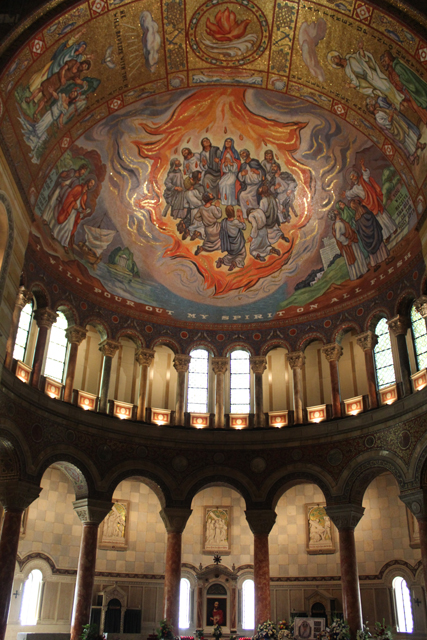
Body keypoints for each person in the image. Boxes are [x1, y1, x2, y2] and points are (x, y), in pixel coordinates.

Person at [327, 41, 403, 109]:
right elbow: (356, 82)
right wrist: (349, 85)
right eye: (333, 59)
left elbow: (361, 57)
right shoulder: (347, 70)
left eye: (335, 56)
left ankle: (399, 98)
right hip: (368, 77)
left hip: (370, 71)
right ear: (336, 64)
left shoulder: (349, 56)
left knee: (386, 83)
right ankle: (397, 101)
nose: (335, 57)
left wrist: (360, 49)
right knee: (384, 88)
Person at [343, 159, 397, 243]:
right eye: (351, 178)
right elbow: (349, 194)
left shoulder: (363, 180)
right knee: (378, 220)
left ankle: (393, 228)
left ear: (356, 175)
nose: (352, 179)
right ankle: (387, 235)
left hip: (374, 200)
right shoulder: (355, 189)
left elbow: (366, 174)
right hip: (368, 204)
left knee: (383, 214)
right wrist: (345, 194)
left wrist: (363, 167)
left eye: (353, 177)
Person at [366, 96, 425, 165]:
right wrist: (391, 115)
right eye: (370, 107)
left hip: (397, 122)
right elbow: (387, 123)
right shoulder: (378, 117)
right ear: (371, 110)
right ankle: (415, 156)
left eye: (371, 105)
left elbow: (388, 111)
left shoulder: (379, 109)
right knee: (406, 141)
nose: (372, 106)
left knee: (408, 133)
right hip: (395, 128)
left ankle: (419, 145)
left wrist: (392, 108)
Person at [26, 59, 92, 121]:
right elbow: (63, 68)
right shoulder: (74, 62)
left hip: (58, 84)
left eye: (85, 68)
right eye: (85, 66)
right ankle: (30, 99)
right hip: (56, 77)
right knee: (42, 88)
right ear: (83, 63)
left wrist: (83, 83)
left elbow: (76, 80)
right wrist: (62, 77)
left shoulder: (77, 73)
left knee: (46, 98)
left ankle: (36, 113)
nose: (84, 68)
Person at [380, 50, 427, 125]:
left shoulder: (397, 66)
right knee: (416, 107)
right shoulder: (390, 73)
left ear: (389, 58)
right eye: (382, 62)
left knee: (418, 105)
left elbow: (407, 78)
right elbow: (396, 85)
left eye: (384, 60)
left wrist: (400, 80)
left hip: (410, 90)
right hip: (406, 93)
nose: (383, 63)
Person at [350, 197, 393, 272]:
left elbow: (359, 231)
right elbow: (371, 218)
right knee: (380, 245)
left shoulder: (356, 218)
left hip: (367, 238)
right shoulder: (364, 209)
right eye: (355, 200)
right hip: (374, 233)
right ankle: (386, 259)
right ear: (356, 203)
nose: (357, 199)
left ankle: (375, 265)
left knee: (372, 250)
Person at [55, 176, 96, 250]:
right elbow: (70, 196)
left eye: (92, 185)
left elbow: (81, 205)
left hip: (74, 213)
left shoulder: (85, 195)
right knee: (64, 223)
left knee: (69, 227)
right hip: (69, 208)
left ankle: (64, 243)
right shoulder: (78, 188)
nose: (91, 185)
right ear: (87, 181)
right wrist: (73, 203)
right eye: (91, 183)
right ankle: (54, 234)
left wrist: (82, 211)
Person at [329, 207, 368, 280]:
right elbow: (338, 236)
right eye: (335, 210)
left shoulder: (340, 221)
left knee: (358, 255)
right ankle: (357, 274)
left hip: (351, 240)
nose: (337, 210)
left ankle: (363, 270)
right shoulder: (337, 224)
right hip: (348, 243)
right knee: (353, 257)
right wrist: (346, 241)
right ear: (336, 214)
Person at [237, 149, 265, 218]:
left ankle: (255, 215)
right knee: (242, 195)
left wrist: (257, 172)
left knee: (251, 197)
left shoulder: (255, 162)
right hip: (248, 186)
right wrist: (242, 174)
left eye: (243, 153)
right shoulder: (243, 165)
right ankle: (246, 215)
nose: (242, 155)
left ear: (248, 154)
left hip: (256, 185)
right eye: (241, 154)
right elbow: (239, 176)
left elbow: (263, 172)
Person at [217, 206, 246, 271]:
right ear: (233, 213)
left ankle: (222, 260)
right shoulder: (235, 222)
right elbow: (244, 226)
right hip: (238, 245)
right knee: (242, 255)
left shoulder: (224, 222)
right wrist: (241, 216)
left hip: (230, 246)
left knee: (230, 256)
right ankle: (235, 263)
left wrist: (237, 218)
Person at [182, 170, 205, 240]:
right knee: (201, 223)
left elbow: (186, 205)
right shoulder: (195, 191)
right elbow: (200, 197)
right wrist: (202, 195)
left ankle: (189, 231)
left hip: (193, 211)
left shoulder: (185, 194)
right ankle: (198, 232)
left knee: (194, 223)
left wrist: (185, 215)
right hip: (199, 208)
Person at [219, 138, 240, 206]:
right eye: (226, 141)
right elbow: (222, 166)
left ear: (232, 143)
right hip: (226, 174)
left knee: (228, 184)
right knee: (221, 183)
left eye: (229, 142)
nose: (227, 143)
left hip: (233, 174)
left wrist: (231, 164)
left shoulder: (235, 153)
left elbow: (238, 164)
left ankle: (231, 202)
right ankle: (224, 201)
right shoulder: (223, 153)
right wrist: (225, 166)